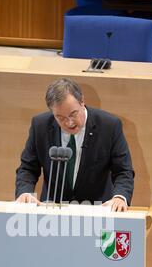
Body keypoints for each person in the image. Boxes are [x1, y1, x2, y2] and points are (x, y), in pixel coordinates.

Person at [15, 78, 134, 211]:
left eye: (73, 114)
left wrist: (119, 197)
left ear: (82, 101)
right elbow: (27, 168)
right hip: (52, 211)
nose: (69, 123)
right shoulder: (40, 126)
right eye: (60, 118)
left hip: (97, 210)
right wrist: (25, 192)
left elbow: (123, 171)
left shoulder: (109, 126)